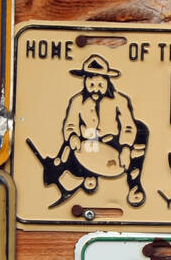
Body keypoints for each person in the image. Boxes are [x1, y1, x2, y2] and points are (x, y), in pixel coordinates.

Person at [31, 54, 148, 209]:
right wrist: (72, 136)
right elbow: (70, 124)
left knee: (140, 138)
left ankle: (134, 185)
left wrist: (126, 147)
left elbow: (128, 126)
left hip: (114, 142)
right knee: (69, 151)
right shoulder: (77, 101)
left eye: (100, 85)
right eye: (91, 84)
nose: (96, 90)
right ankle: (81, 174)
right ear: (85, 82)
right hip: (88, 140)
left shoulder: (120, 100)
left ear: (107, 82)